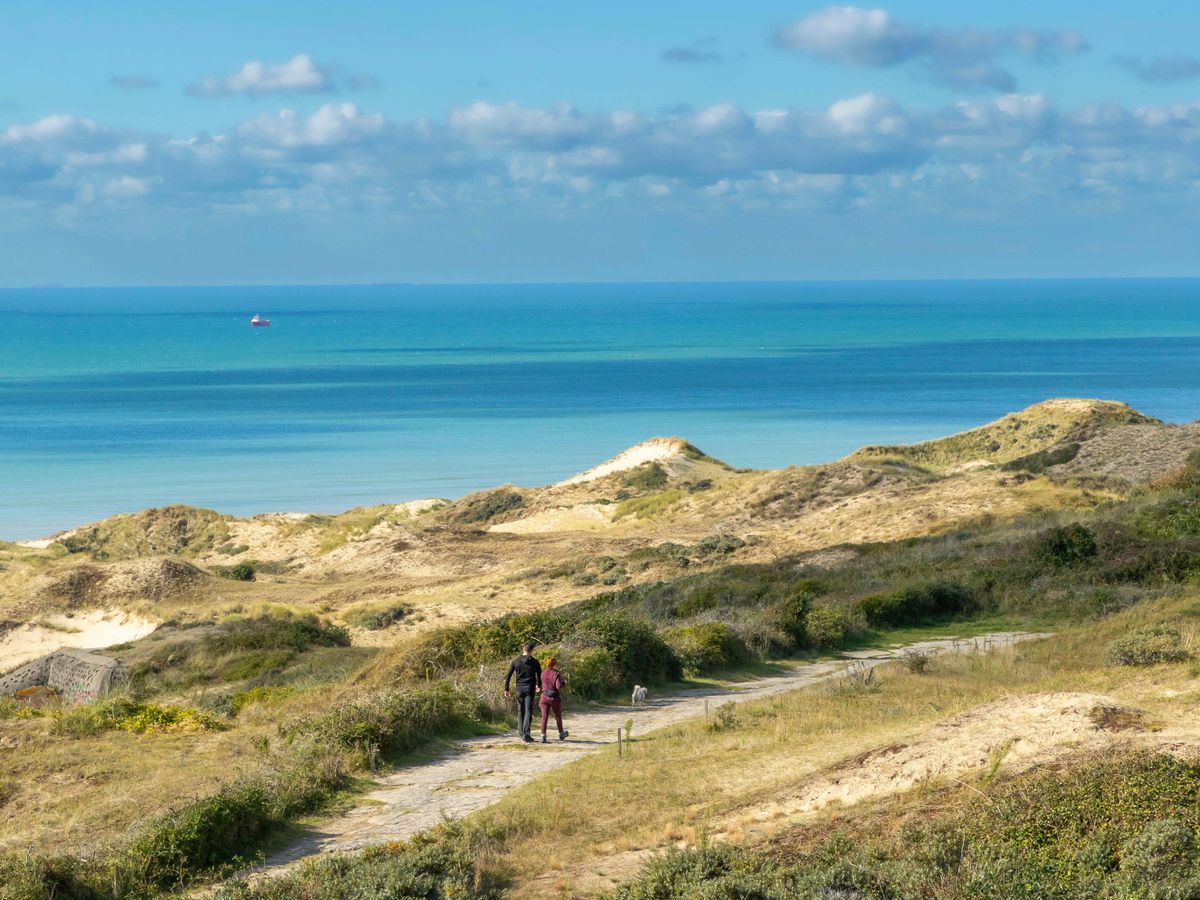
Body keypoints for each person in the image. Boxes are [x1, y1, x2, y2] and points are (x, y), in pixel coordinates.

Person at [503, 642, 542, 743]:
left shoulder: (516, 662)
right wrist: (539, 685)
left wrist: (506, 689)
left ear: (523, 649)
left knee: (521, 711)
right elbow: (539, 675)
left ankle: (522, 733)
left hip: (519, 690)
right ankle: (526, 733)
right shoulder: (535, 662)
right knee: (528, 710)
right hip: (530, 689)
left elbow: (508, 676)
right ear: (531, 651)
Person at [538, 656, 569, 743]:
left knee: (544, 717)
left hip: (544, 697)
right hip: (554, 698)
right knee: (558, 716)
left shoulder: (543, 673)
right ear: (554, 664)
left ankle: (543, 735)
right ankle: (561, 733)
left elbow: (541, 684)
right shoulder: (556, 673)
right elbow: (558, 686)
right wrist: (563, 683)